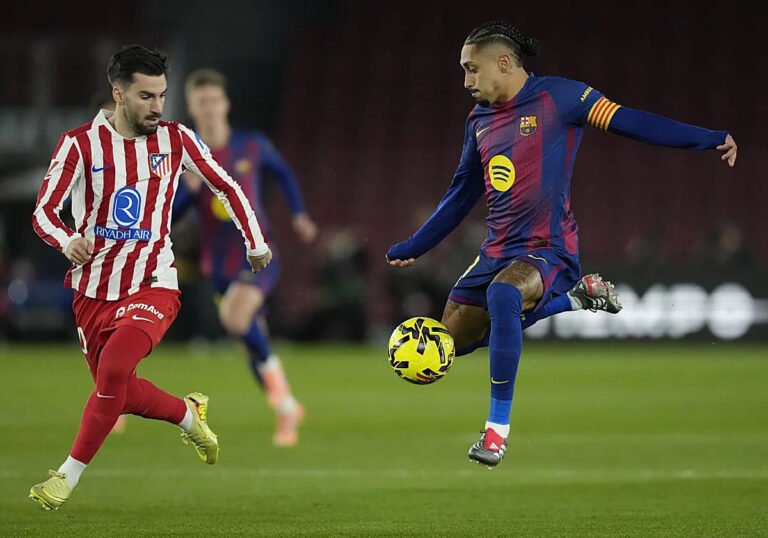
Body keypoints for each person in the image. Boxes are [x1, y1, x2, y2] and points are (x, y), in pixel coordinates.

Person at [386, 21, 737, 469]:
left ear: (504, 63)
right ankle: (574, 299)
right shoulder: (479, 121)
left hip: (548, 247)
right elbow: (461, 195)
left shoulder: (561, 97)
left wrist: (708, 138)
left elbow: (631, 121)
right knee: (449, 344)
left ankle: (496, 432)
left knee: (504, 294)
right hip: (495, 250)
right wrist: (415, 245)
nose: (466, 80)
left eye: (472, 69)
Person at [29, 45, 272, 510]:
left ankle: (66, 477)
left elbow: (226, 185)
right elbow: (44, 212)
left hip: (153, 283)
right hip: (93, 291)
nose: (157, 106)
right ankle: (188, 415)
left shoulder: (176, 139)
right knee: (116, 390)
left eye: (161, 95)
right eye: (146, 96)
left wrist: (255, 242)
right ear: (118, 94)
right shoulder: (79, 145)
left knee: (114, 371)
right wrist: (66, 240)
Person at [175, 69, 317, 446]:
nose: (208, 108)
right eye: (201, 102)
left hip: (258, 255)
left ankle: (287, 406)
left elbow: (283, 174)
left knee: (235, 318)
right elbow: (169, 214)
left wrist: (299, 213)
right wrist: (186, 192)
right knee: (253, 345)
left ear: (225, 103)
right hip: (217, 267)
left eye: (213, 100)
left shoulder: (251, 145)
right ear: (191, 108)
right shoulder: (188, 159)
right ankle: (285, 409)